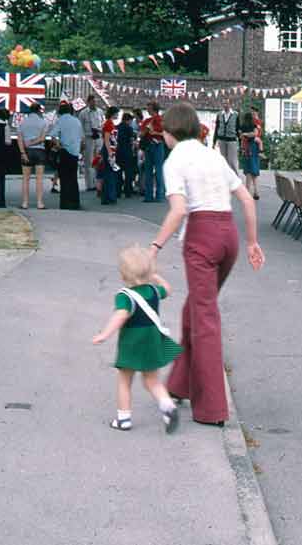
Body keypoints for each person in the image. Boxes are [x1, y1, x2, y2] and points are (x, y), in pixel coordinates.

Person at [150, 102, 265, 426]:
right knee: (195, 311)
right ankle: (180, 384)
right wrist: (252, 242)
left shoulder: (174, 161)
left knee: (204, 319)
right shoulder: (213, 155)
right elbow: (246, 199)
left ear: (169, 132)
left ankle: (212, 408)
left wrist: (154, 247)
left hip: (201, 237)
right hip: (228, 235)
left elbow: (178, 211)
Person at [92, 244, 181, 433]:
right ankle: (167, 406)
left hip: (132, 343)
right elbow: (168, 289)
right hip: (152, 342)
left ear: (123, 274)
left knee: (125, 380)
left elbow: (120, 315)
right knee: (152, 380)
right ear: (149, 271)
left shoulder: (125, 296)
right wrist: (155, 276)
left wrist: (105, 334)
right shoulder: (154, 291)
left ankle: (123, 419)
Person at [16, 102, 50, 209]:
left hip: (27, 151)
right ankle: (40, 203)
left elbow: (19, 139)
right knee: (39, 178)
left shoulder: (22, 122)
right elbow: (42, 138)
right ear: (39, 110)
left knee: (26, 178)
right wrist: (33, 143)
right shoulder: (43, 122)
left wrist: (23, 152)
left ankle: (25, 203)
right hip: (40, 151)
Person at [50, 102, 83, 210]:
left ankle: (65, 203)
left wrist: (58, 145)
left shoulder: (60, 120)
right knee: (73, 178)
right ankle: (75, 202)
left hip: (65, 151)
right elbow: (82, 138)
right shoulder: (77, 121)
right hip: (75, 152)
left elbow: (53, 135)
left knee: (64, 178)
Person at [140, 101, 166, 202]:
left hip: (158, 145)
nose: (147, 110)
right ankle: (149, 195)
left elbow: (166, 133)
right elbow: (141, 134)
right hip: (148, 145)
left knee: (158, 170)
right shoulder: (147, 121)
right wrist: (146, 130)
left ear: (153, 109)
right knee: (148, 171)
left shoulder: (161, 120)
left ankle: (159, 195)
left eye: (149, 108)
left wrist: (155, 132)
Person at [78, 95, 102, 192]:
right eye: (93, 101)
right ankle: (90, 185)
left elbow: (103, 124)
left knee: (98, 161)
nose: (94, 103)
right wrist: (82, 141)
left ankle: (98, 183)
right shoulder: (83, 113)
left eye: (95, 101)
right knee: (89, 162)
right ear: (88, 102)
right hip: (88, 138)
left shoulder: (100, 112)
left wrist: (99, 130)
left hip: (98, 138)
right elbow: (80, 128)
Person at [238, 110, 262, 200]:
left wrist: (245, 134)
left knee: (248, 170)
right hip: (254, 148)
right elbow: (255, 134)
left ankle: (248, 191)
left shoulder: (242, 126)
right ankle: (256, 191)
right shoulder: (254, 125)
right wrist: (249, 134)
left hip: (247, 148)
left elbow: (240, 136)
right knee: (254, 169)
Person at [100, 106, 121, 205]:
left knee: (109, 173)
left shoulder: (109, 123)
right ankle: (109, 196)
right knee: (109, 174)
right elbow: (107, 139)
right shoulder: (108, 123)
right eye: (117, 113)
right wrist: (110, 153)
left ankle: (108, 196)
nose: (118, 115)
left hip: (111, 150)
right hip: (109, 150)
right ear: (113, 113)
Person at [116, 111, 138, 198]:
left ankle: (118, 191)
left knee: (118, 172)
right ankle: (127, 191)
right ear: (128, 120)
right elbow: (132, 140)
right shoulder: (129, 128)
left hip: (118, 151)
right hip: (127, 151)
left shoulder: (117, 127)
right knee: (128, 173)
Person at [213, 99, 239, 173]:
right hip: (221, 139)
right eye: (224, 103)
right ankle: (225, 177)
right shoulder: (219, 114)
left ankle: (235, 177)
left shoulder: (236, 114)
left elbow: (238, 128)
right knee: (223, 160)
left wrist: (240, 141)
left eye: (227, 103)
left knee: (232, 161)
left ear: (230, 104)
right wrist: (214, 141)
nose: (225, 105)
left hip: (232, 140)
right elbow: (217, 128)